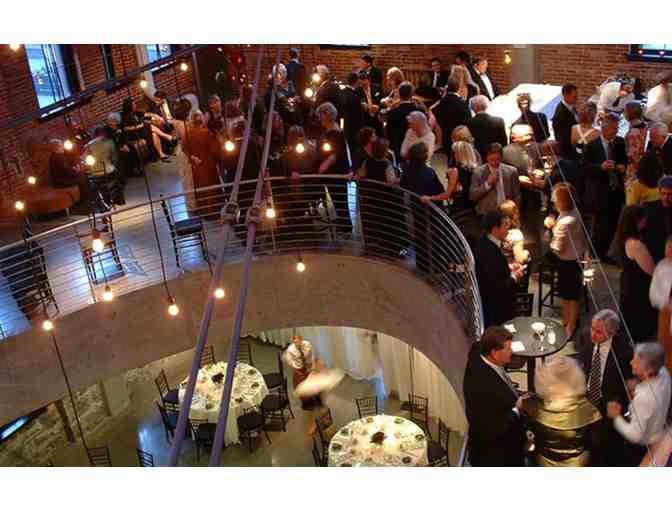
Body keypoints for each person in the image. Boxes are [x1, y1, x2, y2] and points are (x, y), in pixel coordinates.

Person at [574, 309, 634, 466]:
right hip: (585, 397)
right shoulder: (585, 336)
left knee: (605, 446)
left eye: (599, 332)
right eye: (592, 328)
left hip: (608, 405)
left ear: (612, 332)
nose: (593, 335)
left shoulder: (624, 353)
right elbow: (581, 360)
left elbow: (626, 385)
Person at [463, 326, 527, 466]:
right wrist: (516, 410)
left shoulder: (479, 350)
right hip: (496, 454)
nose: (512, 351)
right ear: (494, 353)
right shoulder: (482, 389)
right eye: (508, 349)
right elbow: (492, 428)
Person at [522, 356, 602, 467]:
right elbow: (595, 444)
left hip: (543, 463)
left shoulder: (532, 406)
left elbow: (529, 440)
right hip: (577, 464)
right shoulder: (589, 411)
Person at [607, 342, 672, 466]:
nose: (631, 362)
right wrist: (639, 383)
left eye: (636, 362)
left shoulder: (644, 398)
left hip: (641, 446)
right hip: (657, 430)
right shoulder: (664, 372)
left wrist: (616, 417)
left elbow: (635, 435)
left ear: (648, 371)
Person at [544, 183, 587, 338]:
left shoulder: (566, 221)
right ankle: (566, 320)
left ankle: (571, 325)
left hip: (568, 261)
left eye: (555, 198)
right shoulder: (573, 210)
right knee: (567, 293)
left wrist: (551, 228)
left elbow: (557, 248)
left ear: (563, 200)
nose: (553, 201)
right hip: (576, 257)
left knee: (571, 295)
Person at [582, 113, 627, 261]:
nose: (616, 131)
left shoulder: (619, 142)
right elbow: (584, 168)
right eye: (614, 128)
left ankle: (605, 253)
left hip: (615, 190)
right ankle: (595, 254)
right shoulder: (591, 146)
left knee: (612, 224)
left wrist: (621, 167)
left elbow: (624, 161)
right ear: (604, 129)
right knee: (600, 226)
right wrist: (600, 167)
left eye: (617, 128)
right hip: (600, 192)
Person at [399, 142, 445, 274]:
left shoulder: (407, 169)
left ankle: (422, 265)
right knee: (434, 238)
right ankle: (436, 267)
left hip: (415, 208)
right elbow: (440, 190)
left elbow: (403, 185)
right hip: (430, 210)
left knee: (420, 236)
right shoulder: (429, 173)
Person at [613, 205, 657, 343]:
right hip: (638, 287)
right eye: (644, 218)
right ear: (638, 221)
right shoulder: (636, 245)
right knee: (639, 322)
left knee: (630, 319)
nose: (646, 221)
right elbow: (651, 270)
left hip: (628, 282)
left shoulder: (623, 236)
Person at [471, 211, 523, 327]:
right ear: (495, 229)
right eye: (505, 225)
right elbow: (496, 287)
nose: (508, 229)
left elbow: (492, 270)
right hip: (495, 309)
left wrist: (509, 267)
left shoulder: (485, 242)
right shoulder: (488, 251)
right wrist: (514, 277)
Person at [356, 137, 401, 257]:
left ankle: (373, 243)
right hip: (384, 200)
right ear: (384, 151)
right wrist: (400, 179)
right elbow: (391, 182)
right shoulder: (386, 164)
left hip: (371, 198)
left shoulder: (367, 161)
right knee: (385, 223)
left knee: (373, 221)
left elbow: (361, 174)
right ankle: (388, 247)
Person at [316, 101, 353, 236]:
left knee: (340, 199)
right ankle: (343, 224)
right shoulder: (331, 131)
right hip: (333, 172)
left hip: (336, 173)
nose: (319, 118)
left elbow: (335, 155)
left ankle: (346, 227)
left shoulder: (335, 133)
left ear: (326, 114)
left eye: (320, 115)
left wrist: (323, 166)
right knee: (337, 199)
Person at [182, 110, 223, 219]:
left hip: (197, 166)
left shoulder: (188, 133)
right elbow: (215, 150)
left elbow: (184, 148)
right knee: (212, 189)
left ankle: (205, 212)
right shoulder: (207, 133)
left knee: (201, 188)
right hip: (209, 165)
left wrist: (192, 157)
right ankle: (214, 212)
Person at [470, 143, 520, 217]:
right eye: (491, 159)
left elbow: (517, 195)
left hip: (507, 213)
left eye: (497, 159)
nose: (494, 163)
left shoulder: (512, 171)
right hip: (487, 214)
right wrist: (487, 184)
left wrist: (515, 211)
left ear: (502, 158)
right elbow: (472, 196)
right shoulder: (478, 172)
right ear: (487, 157)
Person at [121, 97, 173, 162]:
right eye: (133, 104)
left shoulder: (135, 112)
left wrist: (155, 115)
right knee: (147, 125)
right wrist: (137, 127)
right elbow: (125, 128)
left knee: (154, 134)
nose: (135, 105)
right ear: (129, 106)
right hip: (135, 134)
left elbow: (146, 114)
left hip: (143, 130)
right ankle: (168, 137)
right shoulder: (125, 116)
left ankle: (161, 154)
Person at [649, 236, 672, 375]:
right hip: (665, 313)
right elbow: (654, 293)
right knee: (665, 347)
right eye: (668, 248)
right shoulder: (662, 266)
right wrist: (665, 303)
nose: (669, 252)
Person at [430, 78, 471, 155]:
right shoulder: (463, 103)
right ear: (459, 88)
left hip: (446, 138)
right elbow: (468, 120)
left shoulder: (442, 102)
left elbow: (434, 113)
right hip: (459, 137)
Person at [384, 81, 423, 160]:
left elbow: (388, 132)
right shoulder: (419, 111)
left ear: (399, 94)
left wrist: (392, 105)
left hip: (398, 148)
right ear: (412, 94)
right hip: (416, 149)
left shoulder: (392, 113)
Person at [283, 334, 319, 409]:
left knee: (314, 382)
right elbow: (289, 361)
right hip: (299, 369)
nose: (297, 344)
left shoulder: (307, 344)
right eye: (295, 342)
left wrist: (313, 366)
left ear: (301, 340)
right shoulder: (290, 350)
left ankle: (316, 398)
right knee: (301, 386)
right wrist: (297, 369)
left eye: (298, 341)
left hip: (308, 366)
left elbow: (312, 355)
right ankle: (306, 404)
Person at [467, 95, 508, 162]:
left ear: (473, 108)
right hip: (496, 157)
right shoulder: (499, 121)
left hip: (477, 158)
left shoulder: (469, 123)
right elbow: (504, 142)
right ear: (487, 106)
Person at [552, 84, 580, 160]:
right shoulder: (560, 113)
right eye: (574, 97)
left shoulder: (571, 107)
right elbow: (562, 137)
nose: (577, 99)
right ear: (566, 95)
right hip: (568, 152)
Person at [339, 72, 366, 150]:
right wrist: (362, 106)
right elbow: (358, 112)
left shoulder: (342, 92)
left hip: (345, 124)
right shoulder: (354, 95)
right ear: (357, 81)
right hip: (355, 127)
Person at [500, 200, 529, 266]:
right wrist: (526, 253)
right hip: (511, 268)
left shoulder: (496, 232)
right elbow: (520, 259)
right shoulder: (516, 235)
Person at [356, 70, 384, 135]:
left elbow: (383, 101)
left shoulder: (377, 88)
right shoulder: (357, 91)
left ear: (369, 80)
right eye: (361, 82)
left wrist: (378, 107)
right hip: (366, 120)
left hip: (378, 119)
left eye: (365, 81)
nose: (363, 84)